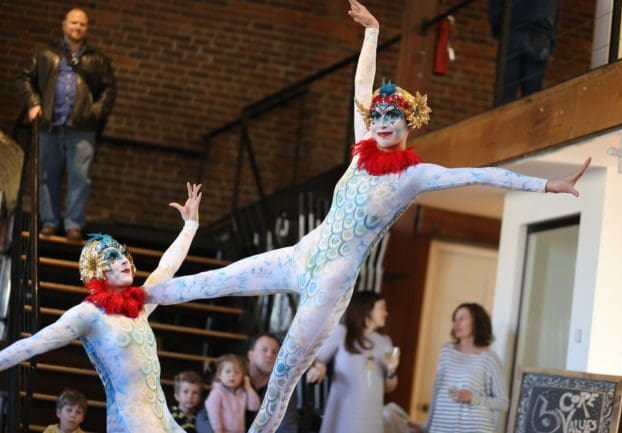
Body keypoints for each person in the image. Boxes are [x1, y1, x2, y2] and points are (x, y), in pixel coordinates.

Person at [145, 2, 590, 431]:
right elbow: (361, 89)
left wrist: (545, 186)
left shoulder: (415, 175)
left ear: (408, 122)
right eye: (377, 114)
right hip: (303, 253)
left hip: (331, 282)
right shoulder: (361, 153)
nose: (380, 120)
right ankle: (132, 303)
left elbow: (476, 174)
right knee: (212, 280)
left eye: (391, 115)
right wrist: (373, 33)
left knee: (283, 375)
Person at [0, 183, 202, 432]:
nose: (124, 261)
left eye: (123, 256)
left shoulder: (138, 306)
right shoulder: (88, 314)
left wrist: (190, 226)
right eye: (113, 259)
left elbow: (166, 268)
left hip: (160, 416)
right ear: (99, 272)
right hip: (132, 419)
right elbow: (34, 343)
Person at [16, 7, 117, 241]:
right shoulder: (45, 53)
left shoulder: (97, 59)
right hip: (49, 125)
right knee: (45, 176)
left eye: (81, 24)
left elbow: (109, 89)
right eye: (73, 23)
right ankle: (49, 222)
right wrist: (33, 103)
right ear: (64, 25)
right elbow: (24, 78)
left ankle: (73, 224)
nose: (77, 27)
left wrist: (95, 113)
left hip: (82, 129)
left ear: (86, 28)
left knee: (80, 177)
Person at [306, 291, 399, 433]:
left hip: (373, 419)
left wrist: (391, 372)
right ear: (367, 309)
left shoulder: (386, 342)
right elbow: (315, 360)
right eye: (382, 308)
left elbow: (389, 387)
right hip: (344, 417)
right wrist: (319, 367)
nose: (386, 313)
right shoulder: (342, 333)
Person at [413, 303, 508, 433]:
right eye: (455, 319)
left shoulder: (490, 359)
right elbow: (437, 391)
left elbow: (503, 403)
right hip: (440, 428)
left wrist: (473, 398)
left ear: (477, 322)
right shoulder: (446, 351)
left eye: (462, 319)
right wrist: (426, 426)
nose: (456, 324)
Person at [489, 0, 561, 105]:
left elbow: (495, 5)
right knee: (532, 97)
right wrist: (551, 44)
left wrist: (497, 30)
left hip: (513, 30)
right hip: (540, 35)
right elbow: (556, 11)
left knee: (505, 96)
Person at [246, 334, 299, 433]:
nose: (270, 355)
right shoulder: (233, 379)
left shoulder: (283, 387)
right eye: (264, 350)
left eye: (274, 352)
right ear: (250, 355)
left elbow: (287, 427)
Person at [203, 354, 261, 433]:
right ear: (219, 375)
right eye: (228, 371)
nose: (232, 375)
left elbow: (254, 407)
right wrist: (218, 430)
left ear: (242, 377)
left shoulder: (242, 393)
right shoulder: (216, 393)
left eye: (237, 372)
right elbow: (213, 414)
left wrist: (248, 387)